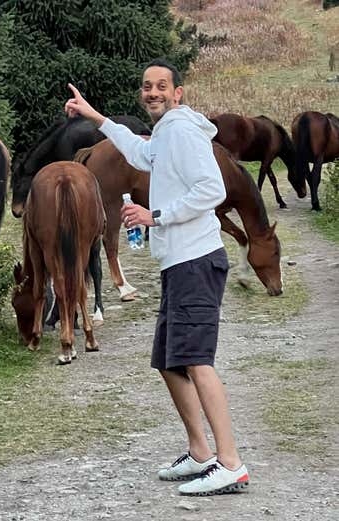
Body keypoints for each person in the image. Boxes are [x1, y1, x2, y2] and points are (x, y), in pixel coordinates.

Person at [64, 58, 249, 496]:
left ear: (178, 92)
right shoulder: (166, 132)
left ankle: (231, 463)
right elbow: (140, 153)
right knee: (169, 360)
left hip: (196, 260)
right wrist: (95, 116)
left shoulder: (183, 129)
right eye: (147, 86)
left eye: (161, 86)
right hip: (178, 264)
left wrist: (156, 215)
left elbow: (213, 190)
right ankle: (200, 452)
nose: (153, 93)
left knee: (198, 361)